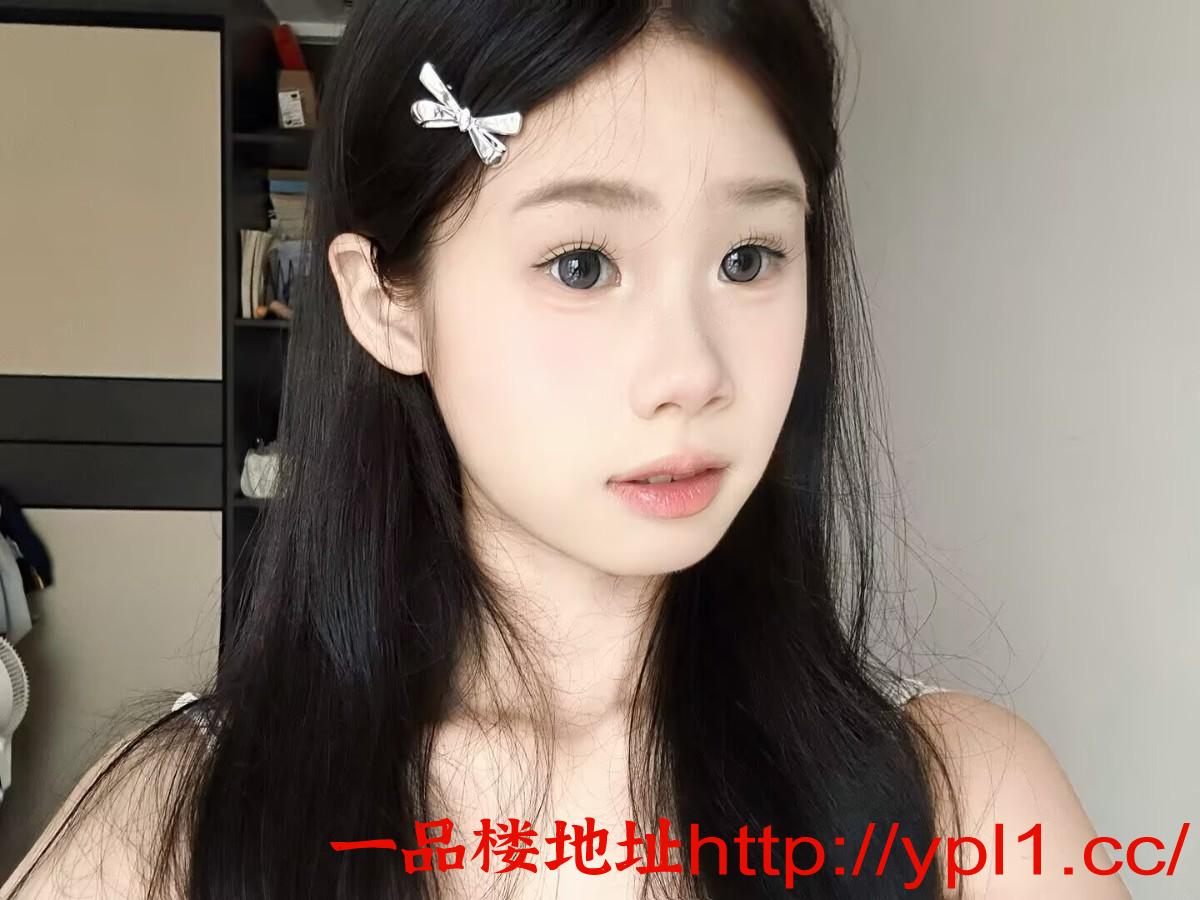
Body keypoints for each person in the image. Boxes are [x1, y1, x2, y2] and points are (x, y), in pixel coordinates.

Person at [2, 2, 1130, 898]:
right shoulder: (181, 830)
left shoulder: (967, 807)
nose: (691, 372)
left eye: (748, 258)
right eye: (582, 265)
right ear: (387, 304)